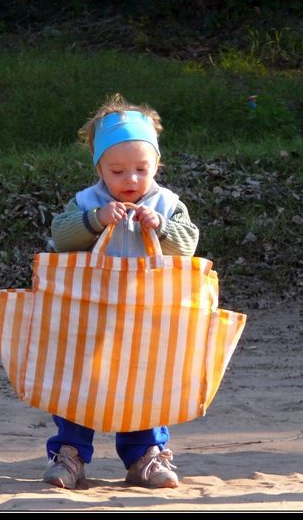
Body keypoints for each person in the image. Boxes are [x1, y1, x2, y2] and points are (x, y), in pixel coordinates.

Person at [44, 94, 199, 489]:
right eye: (117, 171)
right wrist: (94, 220)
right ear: (99, 168)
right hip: (91, 318)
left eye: (141, 169)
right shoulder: (86, 202)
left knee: (146, 383)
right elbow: (60, 236)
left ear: (157, 165)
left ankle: (145, 455)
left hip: (149, 316)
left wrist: (161, 226)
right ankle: (70, 454)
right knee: (79, 383)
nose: (130, 180)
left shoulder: (167, 203)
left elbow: (188, 244)